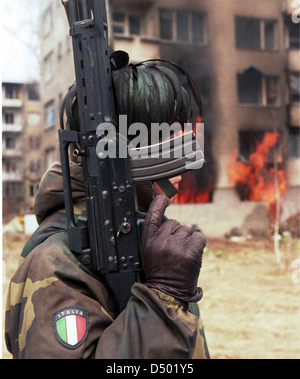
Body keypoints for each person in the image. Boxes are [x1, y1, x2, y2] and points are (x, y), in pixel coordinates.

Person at [5, 52, 210, 359]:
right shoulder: (57, 262)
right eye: (169, 133)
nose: (184, 143)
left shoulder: (139, 237)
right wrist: (163, 299)